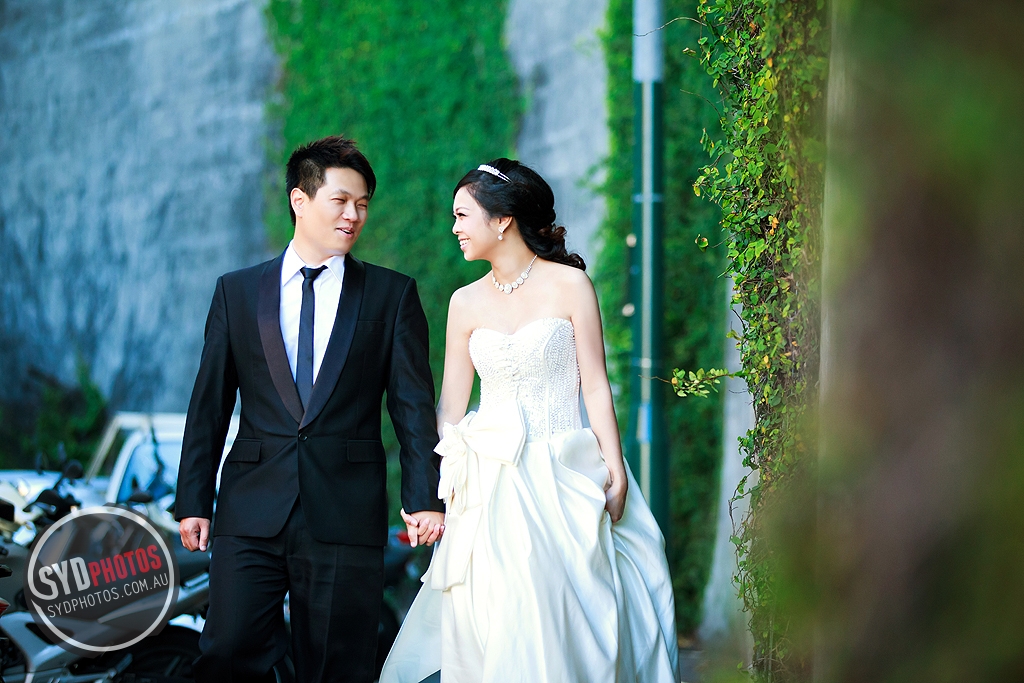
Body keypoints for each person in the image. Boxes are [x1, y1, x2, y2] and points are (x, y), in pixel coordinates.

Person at [381, 159, 678, 682]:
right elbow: (450, 408)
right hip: (490, 488)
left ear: (502, 220)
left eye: (462, 215)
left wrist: (616, 469)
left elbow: (595, 385)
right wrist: (434, 489)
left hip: (564, 476)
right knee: (497, 622)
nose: (454, 228)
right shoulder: (463, 302)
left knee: (564, 618)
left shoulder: (571, 285)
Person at [175, 136, 446, 683]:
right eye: (341, 201)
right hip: (250, 507)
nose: (354, 215)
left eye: (363, 204)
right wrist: (193, 499)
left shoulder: (391, 295)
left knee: (336, 666)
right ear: (300, 200)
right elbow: (209, 404)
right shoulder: (236, 292)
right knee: (228, 649)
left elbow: (412, 407)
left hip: (345, 510)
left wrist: (424, 496)